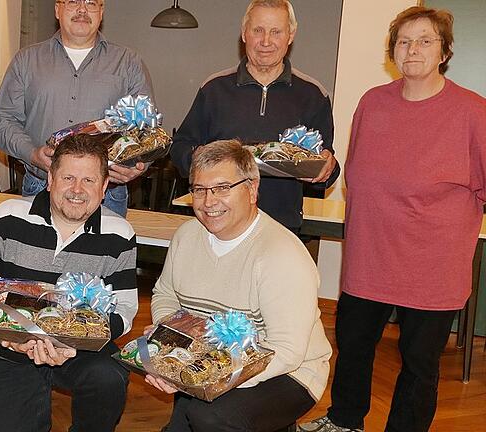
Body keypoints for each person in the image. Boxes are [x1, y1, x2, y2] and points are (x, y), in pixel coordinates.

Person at [298, 6, 486, 432]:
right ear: (392, 52)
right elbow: (359, 174)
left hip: (433, 267)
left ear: (444, 52)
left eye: (425, 40)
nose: (412, 49)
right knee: (355, 347)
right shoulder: (372, 103)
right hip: (369, 258)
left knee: (419, 364)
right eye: (403, 41)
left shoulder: (473, 112)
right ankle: (345, 422)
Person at [146, 140, 331, 432]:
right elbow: (165, 296)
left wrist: (207, 376)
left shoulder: (281, 254)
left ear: (252, 190)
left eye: (222, 188)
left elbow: (286, 351)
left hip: (287, 373)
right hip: (209, 360)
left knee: (210, 418)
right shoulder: (186, 236)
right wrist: (171, 341)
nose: (209, 202)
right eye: (199, 189)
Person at [0, 135, 138, 432]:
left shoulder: (119, 234)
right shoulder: (6, 217)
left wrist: (72, 344)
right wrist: (10, 336)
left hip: (79, 349)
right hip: (14, 346)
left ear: (105, 187)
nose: (77, 190)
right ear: (50, 179)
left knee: (109, 376)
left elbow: (126, 308)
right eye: (68, 177)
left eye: (89, 181)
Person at [170, 0, 339, 233]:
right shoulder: (214, 89)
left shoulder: (314, 95)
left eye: (275, 32)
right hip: (218, 224)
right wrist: (197, 159)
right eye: (258, 30)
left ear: (291, 35)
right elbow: (180, 148)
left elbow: (327, 169)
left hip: (282, 227)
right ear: (244, 33)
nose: (266, 41)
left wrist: (327, 168)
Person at [0, 0, 153, 217]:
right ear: (57, 9)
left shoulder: (128, 63)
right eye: (73, 1)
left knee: (101, 252)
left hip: (106, 193)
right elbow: (2, 120)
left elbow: (147, 128)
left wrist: (139, 164)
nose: (82, 10)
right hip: (41, 187)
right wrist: (32, 154)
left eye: (91, 3)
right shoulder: (26, 61)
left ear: (101, 11)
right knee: (36, 251)